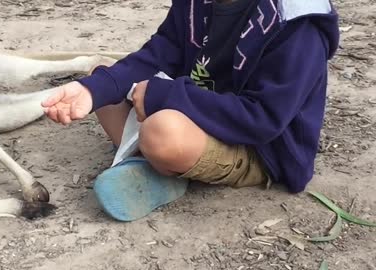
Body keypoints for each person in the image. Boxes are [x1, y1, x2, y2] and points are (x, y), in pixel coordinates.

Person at [41, 0, 340, 222]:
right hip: (197, 112)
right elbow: (160, 53)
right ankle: (161, 167)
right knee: (104, 79)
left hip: (256, 147)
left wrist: (168, 96)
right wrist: (91, 90)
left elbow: (264, 119)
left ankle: (161, 164)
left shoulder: (297, 22)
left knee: (161, 131)